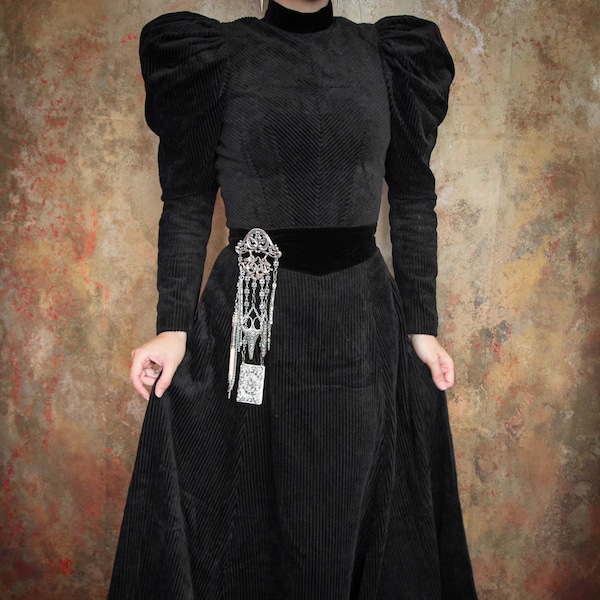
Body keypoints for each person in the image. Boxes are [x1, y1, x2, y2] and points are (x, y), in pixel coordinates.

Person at [108, 1, 478, 598]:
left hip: (358, 322)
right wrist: (173, 326)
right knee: (249, 502)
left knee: (348, 502)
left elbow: (413, 197)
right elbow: (187, 202)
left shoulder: (388, 57)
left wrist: (422, 326)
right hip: (252, 308)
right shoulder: (215, 57)